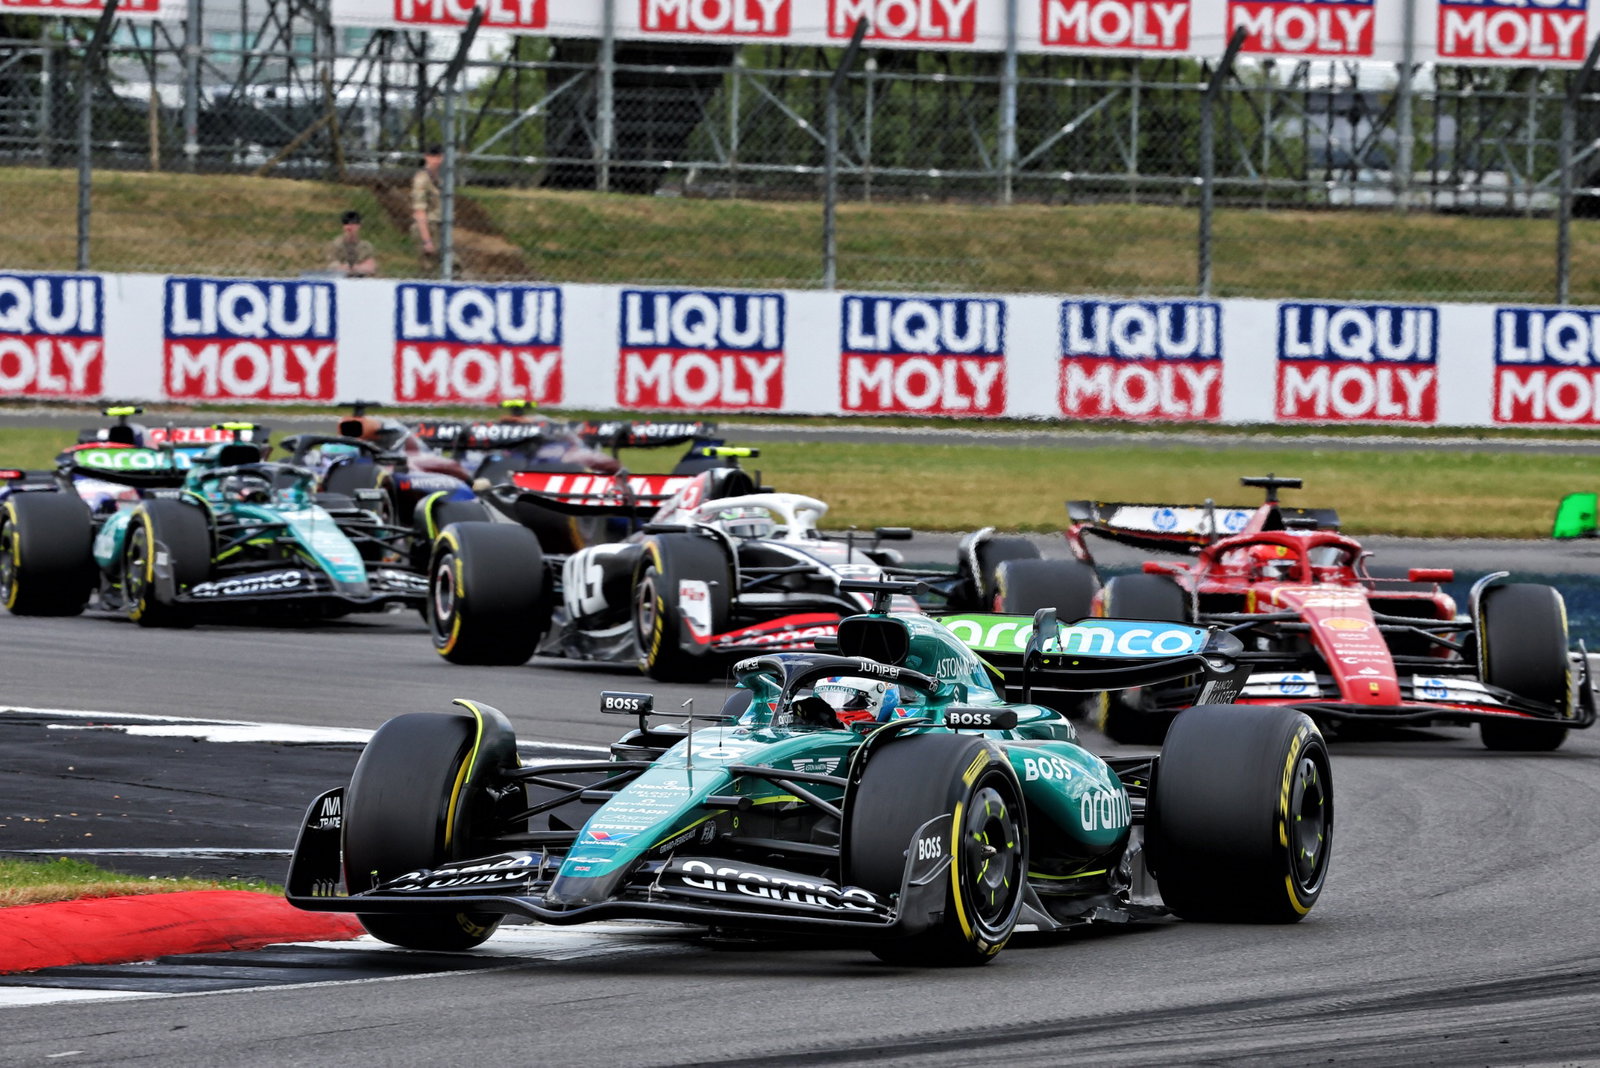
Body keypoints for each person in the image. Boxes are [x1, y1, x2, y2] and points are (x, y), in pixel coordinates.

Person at [411, 145, 444, 262]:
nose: (436, 160)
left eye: (438, 157)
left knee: (451, 266)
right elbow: (419, 211)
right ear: (426, 157)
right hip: (427, 226)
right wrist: (427, 240)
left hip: (440, 226)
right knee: (429, 268)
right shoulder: (422, 179)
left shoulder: (441, 178)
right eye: (432, 157)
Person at [326, 210, 377, 277]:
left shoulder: (366, 246)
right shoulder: (335, 245)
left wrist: (356, 268)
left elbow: (371, 267)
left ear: (359, 226)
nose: (349, 227)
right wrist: (344, 268)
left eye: (353, 224)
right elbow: (332, 266)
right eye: (346, 223)